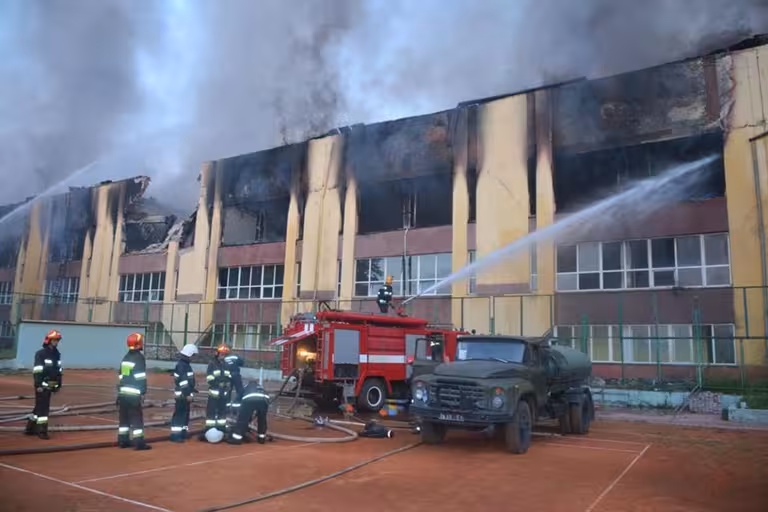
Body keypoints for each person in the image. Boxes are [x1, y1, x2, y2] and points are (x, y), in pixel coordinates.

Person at [25, 330, 63, 439]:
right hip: (42, 385)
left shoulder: (56, 354)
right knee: (43, 409)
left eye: (57, 340)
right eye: (54, 340)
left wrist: (58, 384)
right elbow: (38, 370)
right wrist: (39, 385)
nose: (56, 342)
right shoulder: (41, 354)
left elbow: (58, 370)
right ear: (48, 340)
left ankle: (30, 428)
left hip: (51, 384)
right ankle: (41, 431)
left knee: (39, 407)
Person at [117, 332, 151, 450]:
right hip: (134, 394)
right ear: (138, 344)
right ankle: (139, 443)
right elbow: (140, 377)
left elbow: (121, 375)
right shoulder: (139, 358)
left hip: (123, 393)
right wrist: (143, 391)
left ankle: (123, 441)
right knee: (136, 418)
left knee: (124, 418)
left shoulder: (126, 357)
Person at [200, 343, 233, 440]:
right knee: (211, 412)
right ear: (217, 354)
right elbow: (209, 378)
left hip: (223, 393)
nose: (223, 356)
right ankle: (209, 429)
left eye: (224, 354)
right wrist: (218, 384)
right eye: (222, 354)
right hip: (214, 392)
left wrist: (228, 383)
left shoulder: (226, 365)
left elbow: (229, 376)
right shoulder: (212, 364)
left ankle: (221, 429)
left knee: (222, 413)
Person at [226, 380, 270, 445]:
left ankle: (237, 439)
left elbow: (237, 401)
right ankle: (261, 438)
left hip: (249, 400)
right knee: (262, 420)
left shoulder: (245, 387)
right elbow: (267, 400)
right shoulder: (261, 387)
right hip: (264, 401)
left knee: (243, 420)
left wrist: (234, 411)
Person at [170, 343, 198, 443]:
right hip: (182, 395)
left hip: (184, 394)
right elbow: (184, 382)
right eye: (193, 355)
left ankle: (183, 432)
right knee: (180, 414)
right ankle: (175, 435)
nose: (194, 358)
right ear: (190, 354)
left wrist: (192, 390)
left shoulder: (184, 365)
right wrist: (187, 394)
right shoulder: (183, 365)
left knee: (185, 414)